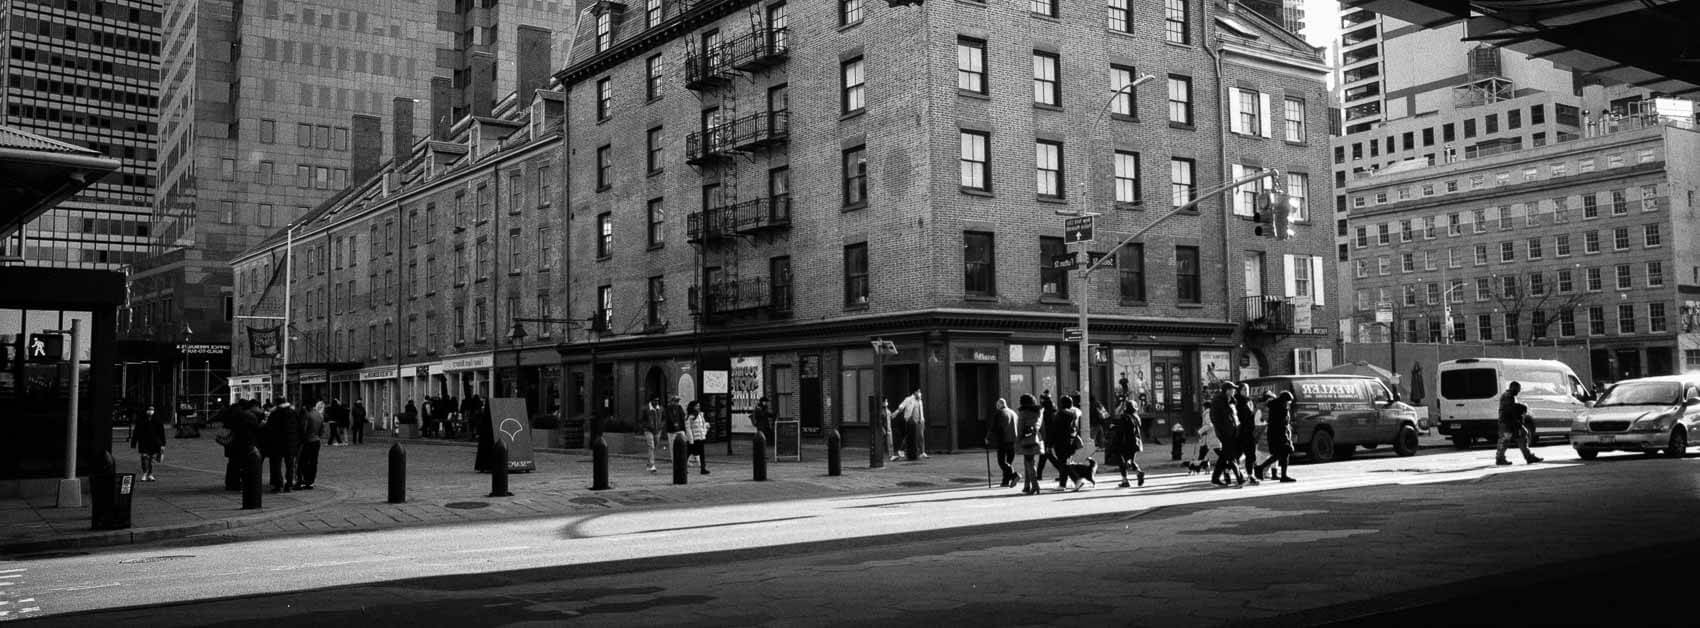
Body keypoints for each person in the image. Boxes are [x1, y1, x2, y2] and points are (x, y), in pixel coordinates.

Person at [1496, 381, 1543, 465]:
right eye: (1517, 389)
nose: (1519, 391)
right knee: (1506, 439)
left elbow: (1513, 408)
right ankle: (1500, 458)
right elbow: (1511, 409)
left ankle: (1528, 456)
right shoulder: (1508, 396)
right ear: (1513, 388)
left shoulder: (1510, 396)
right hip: (1507, 422)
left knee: (1522, 436)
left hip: (1511, 422)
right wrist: (1522, 407)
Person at [1209, 383, 1245, 487]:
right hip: (1225, 432)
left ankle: (1215, 478)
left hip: (1233, 431)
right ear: (1227, 390)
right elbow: (1215, 418)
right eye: (1232, 389)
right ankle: (1240, 478)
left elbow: (1234, 417)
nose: (1234, 391)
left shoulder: (1231, 400)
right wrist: (1223, 430)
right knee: (1231, 455)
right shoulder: (1218, 401)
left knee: (1224, 456)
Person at [1256, 390, 1297, 482]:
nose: (1289, 404)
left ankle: (1262, 468)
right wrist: (1288, 440)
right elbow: (1283, 425)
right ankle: (1281, 475)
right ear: (1284, 400)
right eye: (1288, 401)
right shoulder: (1282, 409)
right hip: (1280, 435)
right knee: (1281, 453)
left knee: (1280, 454)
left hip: (1274, 435)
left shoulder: (1275, 406)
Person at [1105, 396, 1145, 488]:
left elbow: (1121, 429)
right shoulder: (1136, 417)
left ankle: (1125, 480)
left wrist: (1113, 427)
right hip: (1136, 443)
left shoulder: (1125, 417)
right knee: (1130, 460)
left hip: (1125, 443)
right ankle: (1139, 472)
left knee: (1122, 461)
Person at [265, 398, 302, 493]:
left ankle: (278, 484)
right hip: (290, 442)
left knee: (276, 464)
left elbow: (269, 428)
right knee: (290, 465)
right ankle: (289, 484)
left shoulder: (274, 413)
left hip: (277, 443)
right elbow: (299, 427)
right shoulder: (293, 412)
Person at [984, 397, 1019, 487]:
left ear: (1000, 404)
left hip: (1003, 440)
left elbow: (993, 427)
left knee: (1002, 462)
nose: (996, 406)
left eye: (997, 405)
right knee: (1009, 462)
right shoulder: (1013, 413)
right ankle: (1005, 482)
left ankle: (1014, 475)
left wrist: (988, 438)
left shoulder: (999, 413)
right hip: (1013, 441)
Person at [1015, 394, 1045, 495]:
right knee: (1029, 461)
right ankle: (1027, 486)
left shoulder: (1023, 413)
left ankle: (1035, 486)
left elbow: (1020, 429)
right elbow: (1040, 426)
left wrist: (1017, 441)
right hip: (1037, 438)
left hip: (1026, 440)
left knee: (1029, 463)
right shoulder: (1039, 412)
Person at [128, 406, 166, 481]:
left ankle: (150, 474)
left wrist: (163, 444)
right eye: (149, 409)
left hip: (154, 442)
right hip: (143, 441)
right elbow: (136, 432)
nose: (150, 411)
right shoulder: (141, 420)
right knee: (144, 457)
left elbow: (162, 433)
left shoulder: (157, 420)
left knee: (151, 459)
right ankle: (145, 473)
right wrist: (134, 443)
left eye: (152, 410)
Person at [1234, 383, 1261, 486]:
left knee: (1250, 455)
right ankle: (1234, 474)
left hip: (1249, 431)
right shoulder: (1237, 401)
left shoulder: (1249, 401)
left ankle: (1250, 475)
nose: (1246, 391)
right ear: (1239, 391)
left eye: (1247, 389)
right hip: (1240, 432)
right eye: (1244, 389)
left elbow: (1251, 414)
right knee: (1237, 454)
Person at [297, 401, 325, 490]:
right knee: (313, 462)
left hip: (308, 441)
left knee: (303, 461)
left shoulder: (307, 415)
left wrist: (301, 438)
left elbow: (304, 429)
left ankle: (303, 481)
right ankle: (310, 481)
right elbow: (321, 431)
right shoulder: (319, 415)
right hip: (316, 441)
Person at [897, 390, 927, 459]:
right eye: (918, 392)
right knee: (909, 436)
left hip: (920, 421)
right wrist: (900, 407)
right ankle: (901, 450)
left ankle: (922, 452)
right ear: (915, 392)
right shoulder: (909, 399)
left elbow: (921, 411)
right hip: (912, 422)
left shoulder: (920, 401)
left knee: (921, 437)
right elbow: (902, 405)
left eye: (920, 392)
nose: (920, 394)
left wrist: (922, 419)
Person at [685, 399, 710, 475]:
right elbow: (688, 428)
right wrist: (691, 439)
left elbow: (703, 425)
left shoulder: (700, 415)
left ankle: (703, 468)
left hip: (700, 437)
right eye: (696, 406)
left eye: (698, 406)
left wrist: (705, 430)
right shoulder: (689, 417)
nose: (698, 407)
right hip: (694, 438)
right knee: (688, 453)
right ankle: (683, 468)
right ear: (692, 407)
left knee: (701, 454)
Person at [663, 395, 688, 462]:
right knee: (672, 445)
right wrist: (674, 423)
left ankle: (683, 459)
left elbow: (682, 415)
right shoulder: (668, 408)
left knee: (683, 444)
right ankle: (674, 460)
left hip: (680, 429)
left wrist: (683, 421)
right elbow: (669, 417)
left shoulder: (679, 407)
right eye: (675, 401)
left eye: (677, 401)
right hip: (672, 430)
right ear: (671, 401)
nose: (677, 403)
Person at [643, 397, 664, 473]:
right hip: (648, 430)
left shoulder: (660, 409)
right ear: (651, 401)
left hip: (658, 430)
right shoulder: (646, 409)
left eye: (657, 400)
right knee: (651, 446)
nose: (656, 402)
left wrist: (661, 426)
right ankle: (652, 465)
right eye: (655, 400)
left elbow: (663, 418)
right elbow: (642, 420)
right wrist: (647, 426)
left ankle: (649, 463)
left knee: (655, 445)